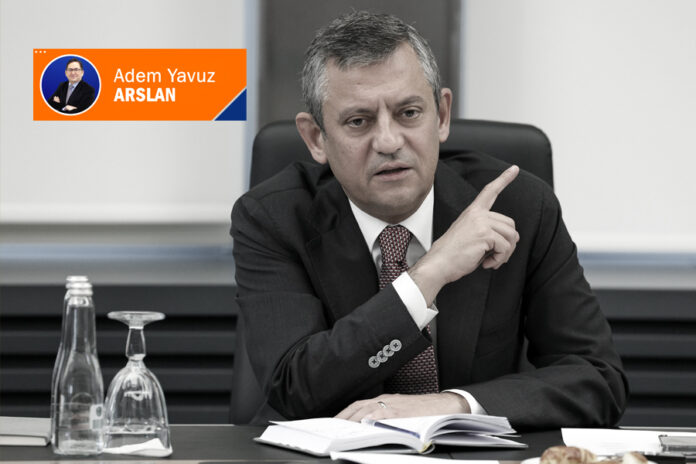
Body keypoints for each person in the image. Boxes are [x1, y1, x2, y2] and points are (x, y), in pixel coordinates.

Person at [231, 11, 628, 429]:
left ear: (441, 116)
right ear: (316, 138)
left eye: (408, 113)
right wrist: (428, 275)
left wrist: (454, 405)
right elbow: (295, 387)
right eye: (358, 121)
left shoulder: (520, 206)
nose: (388, 142)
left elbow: (597, 380)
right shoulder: (272, 218)